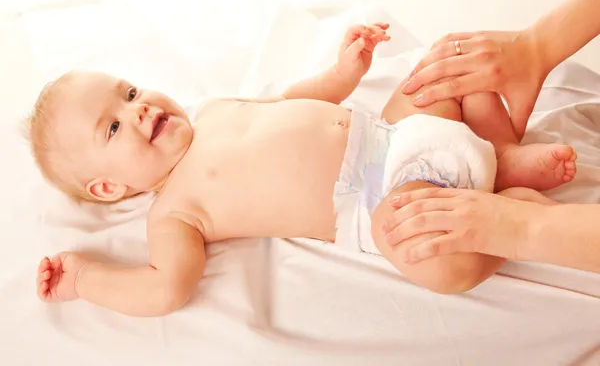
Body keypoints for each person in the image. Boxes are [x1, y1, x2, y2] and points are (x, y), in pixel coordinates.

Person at [31, 22, 572, 317]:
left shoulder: (214, 110)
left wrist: (343, 72)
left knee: (447, 63)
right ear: (109, 186)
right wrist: (85, 279)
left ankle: (497, 155)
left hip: (394, 132)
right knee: (430, 258)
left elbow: (295, 98)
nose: (139, 108)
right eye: (113, 127)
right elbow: (165, 289)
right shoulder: (173, 213)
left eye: (128, 91)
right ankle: (511, 204)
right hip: (385, 201)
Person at [383, 0, 600, 274]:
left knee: (437, 259)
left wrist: (523, 226)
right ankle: (500, 155)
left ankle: (500, 169)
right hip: (380, 159)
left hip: (386, 172)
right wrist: (537, 47)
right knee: (450, 75)